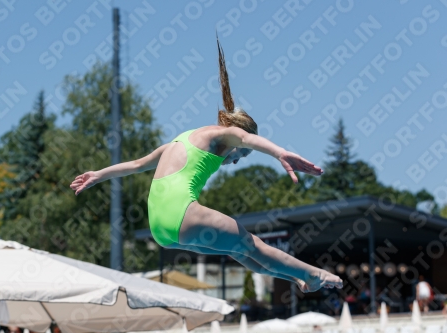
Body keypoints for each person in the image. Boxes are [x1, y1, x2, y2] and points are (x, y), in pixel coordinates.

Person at [70, 38, 343, 293]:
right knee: (250, 243)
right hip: (181, 213)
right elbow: (247, 138)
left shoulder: (181, 140)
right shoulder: (216, 135)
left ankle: (296, 277)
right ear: (234, 138)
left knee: (238, 250)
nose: (235, 162)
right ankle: (312, 273)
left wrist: (99, 174)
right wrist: (280, 153)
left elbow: (138, 164)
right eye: (241, 155)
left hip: (161, 229)